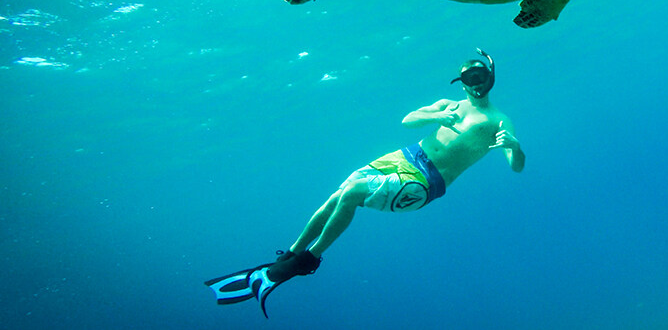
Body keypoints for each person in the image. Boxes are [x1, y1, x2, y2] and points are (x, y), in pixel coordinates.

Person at [205, 49, 523, 318]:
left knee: (355, 193)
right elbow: (407, 119)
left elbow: (516, 166)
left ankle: (307, 260)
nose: (475, 84)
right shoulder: (448, 105)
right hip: (406, 157)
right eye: (469, 78)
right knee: (341, 191)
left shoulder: (497, 121)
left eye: (480, 76)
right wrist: (436, 117)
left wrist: (513, 146)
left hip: (427, 181)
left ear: (491, 77)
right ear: (461, 82)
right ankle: (291, 252)